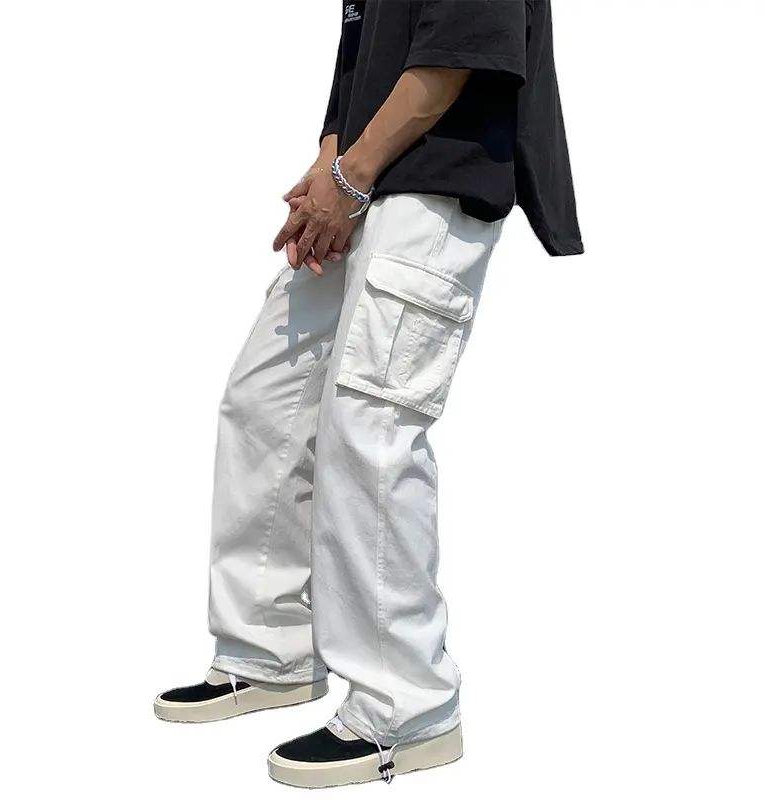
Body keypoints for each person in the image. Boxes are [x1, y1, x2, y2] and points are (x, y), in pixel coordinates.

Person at [154, 0, 582, 788]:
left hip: (434, 181)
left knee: (370, 425)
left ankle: (407, 707)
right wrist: (332, 168)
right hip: (365, 179)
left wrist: (350, 177)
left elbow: (459, 54)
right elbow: (356, 57)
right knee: (265, 403)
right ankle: (269, 653)